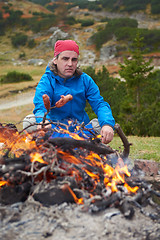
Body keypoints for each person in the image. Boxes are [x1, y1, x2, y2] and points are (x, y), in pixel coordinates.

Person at [23, 40, 115, 144]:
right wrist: (44, 121)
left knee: (100, 124)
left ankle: (68, 142)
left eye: (74, 59)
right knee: (29, 121)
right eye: (65, 59)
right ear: (55, 60)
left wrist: (107, 124)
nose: (70, 64)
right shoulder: (47, 80)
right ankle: (70, 143)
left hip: (81, 130)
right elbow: (40, 104)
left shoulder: (85, 80)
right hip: (53, 128)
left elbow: (99, 104)